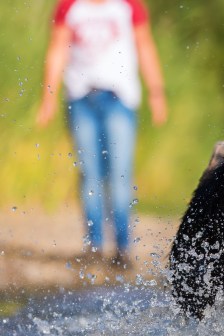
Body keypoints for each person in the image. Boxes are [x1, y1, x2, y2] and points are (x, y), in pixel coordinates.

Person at [36, 0, 167, 268]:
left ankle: (123, 248)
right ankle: (94, 245)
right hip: (81, 98)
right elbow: (57, 50)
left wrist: (156, 92)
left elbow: (145, 46)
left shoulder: (128, 6)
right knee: (89, 173)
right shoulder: (69, 7)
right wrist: (47, 97)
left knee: (120, 174)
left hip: (119, 98)